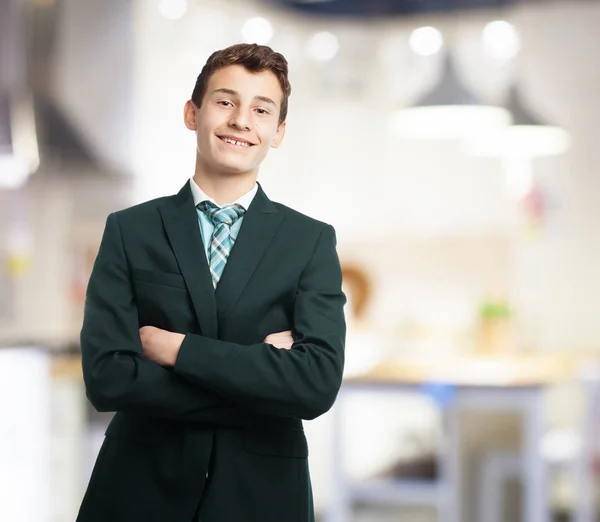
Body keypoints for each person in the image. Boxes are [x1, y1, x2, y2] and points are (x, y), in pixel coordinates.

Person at [76, 43, 346, 522]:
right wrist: (262, 379)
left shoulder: (310, 242)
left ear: (278, 132)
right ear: (192, 112)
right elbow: (108, 378)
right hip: (139, 489)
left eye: (261, 110)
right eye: (225, 102)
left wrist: (178, 350)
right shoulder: (130, 230)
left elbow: (315, 386)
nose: (242, 120)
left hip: (262, 496)